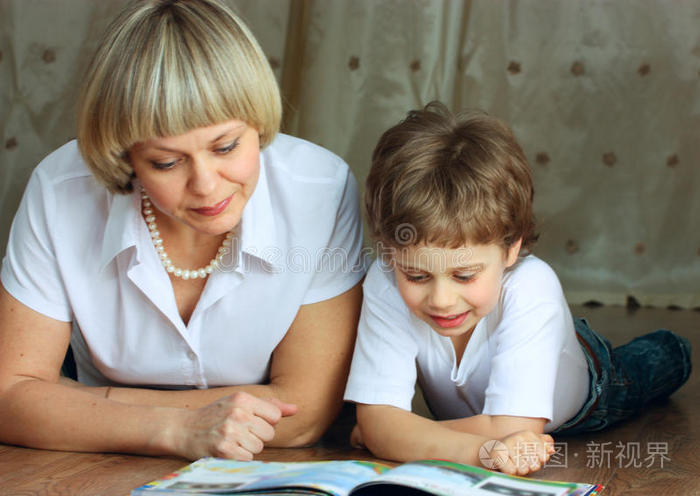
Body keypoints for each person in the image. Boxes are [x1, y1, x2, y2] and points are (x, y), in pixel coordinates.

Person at [0, 0, 365, 461]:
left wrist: (86, 404)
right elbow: (10, 397)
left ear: (259, 122)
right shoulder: (59, 190)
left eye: (227, 146)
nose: (206, 186)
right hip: (89, 466)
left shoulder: (322, 188)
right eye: (166, 162)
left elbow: (304, 415)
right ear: (124, 156)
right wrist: (176, 427)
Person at [343, 102, 691, 475]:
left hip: (592, 389)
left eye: (464, 276)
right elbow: (389, 427)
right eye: (417, 277)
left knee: (659, 360)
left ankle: (670, 347)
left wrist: (396, 433)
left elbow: (514, 431)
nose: (441, 300)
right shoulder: (384, 279)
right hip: (496, 402)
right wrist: (473, 447)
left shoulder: (531, 286)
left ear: (511, 248)